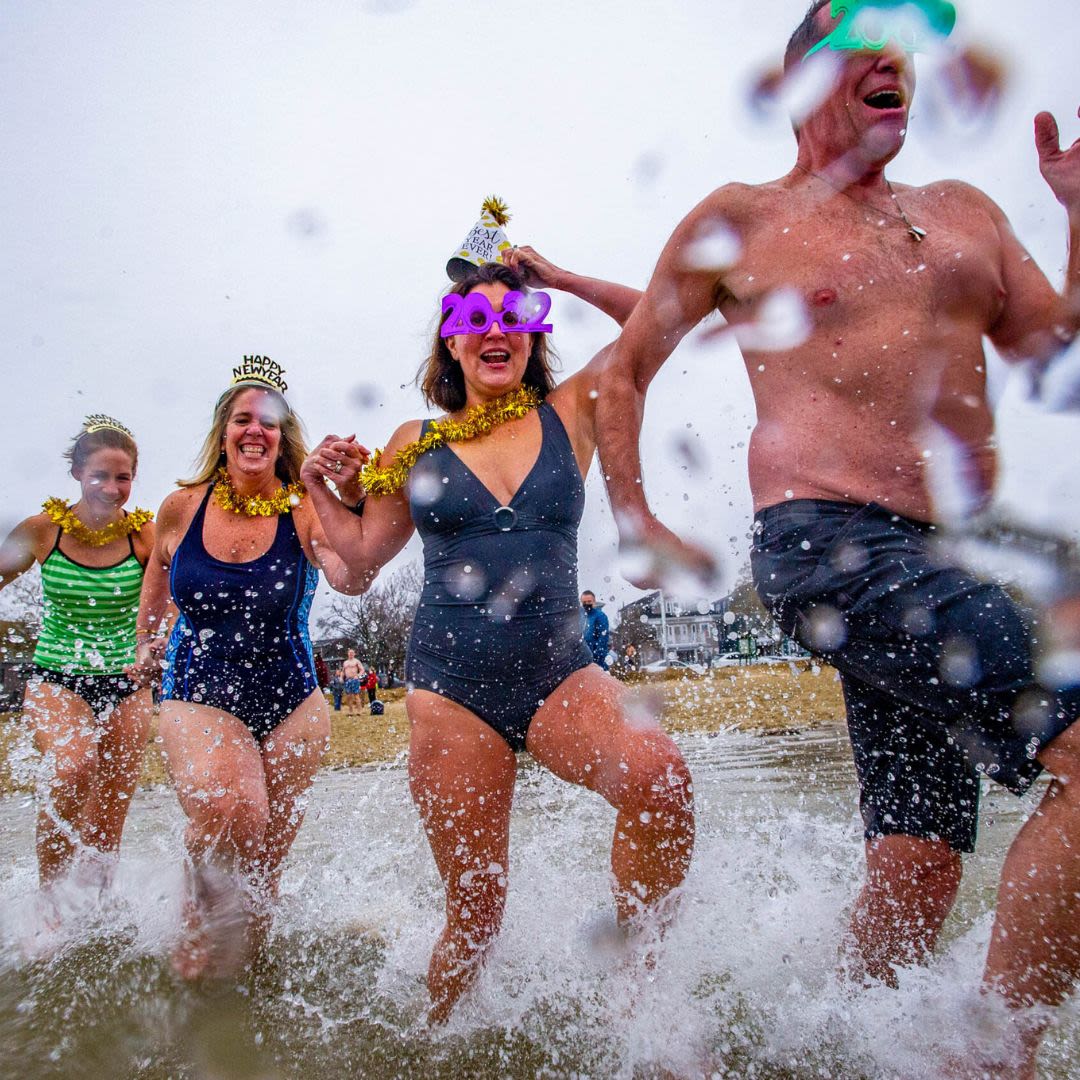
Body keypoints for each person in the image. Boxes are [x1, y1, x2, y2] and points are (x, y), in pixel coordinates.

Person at [596, 2, 1080, 1070]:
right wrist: (634, 514)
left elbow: (1052, 343)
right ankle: (997, 1055)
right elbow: (625, 369)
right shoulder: (744, 216)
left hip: (940, 558)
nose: (894, 63)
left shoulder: (964, 213)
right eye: (864, 40)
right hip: (827, 548)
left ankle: (818, 1046)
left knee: (918, 865)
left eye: (907, 46)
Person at [302, 249, 695, 1022]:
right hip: (453, 692)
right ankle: (437, 1042)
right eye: (474, 320)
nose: (495, 331)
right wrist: (318, 487)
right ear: (450, 341)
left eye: (513, 318)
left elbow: (664, 318)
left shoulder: (575, 409)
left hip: (563, 678)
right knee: (477, 916)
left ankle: (637, 997)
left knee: (662, 780)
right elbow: (353, 570)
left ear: (533, 334)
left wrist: (560, 280)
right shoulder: (413, 440)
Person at [131, 361, 364, 978]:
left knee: (262, 864)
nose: (255, 431)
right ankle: (196, 943)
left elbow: (351, 575)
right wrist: (145, 642)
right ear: (224, 431)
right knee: (234, 810)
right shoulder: (181, 507)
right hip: (198, 687)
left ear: (284, 436)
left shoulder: (304, 509)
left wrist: (354, 498)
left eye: (269, 422)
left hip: (293, 699)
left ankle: (246, 986)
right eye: (243, 420)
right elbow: (159, 569)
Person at [0, 416, 155, 892]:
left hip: (127, 683)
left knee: (109, 812)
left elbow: (172, 598)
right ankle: (50, 900)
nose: (112, 489)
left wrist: (154, 640)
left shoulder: (143, 535)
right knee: (72, 766)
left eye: (122, 477)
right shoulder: (43, 530)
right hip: (56, 676)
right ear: (76, 474)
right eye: (100, 476)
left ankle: (95, 912)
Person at [580, 589, 610, 670]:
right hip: (581, 658)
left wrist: (598, 657)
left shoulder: (600, 616)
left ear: (594, 601)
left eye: (589, 601)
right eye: (584, 602)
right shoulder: (580, 615)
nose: (586, 604)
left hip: (596, 658)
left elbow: (603, 637)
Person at [342, 648, 363, 713]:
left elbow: (362, 670)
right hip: (348, 680)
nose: (351, 654)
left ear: (354, 654)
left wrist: (358, 675)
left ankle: (359, 711)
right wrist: (341, 677)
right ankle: (350, 711)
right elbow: (343, 671)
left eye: (352, 652)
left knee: (356, 695)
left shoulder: (356, 661)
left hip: (355, 679)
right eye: (349, 652)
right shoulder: (345, 662)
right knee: (349, 696)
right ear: (348, 654)